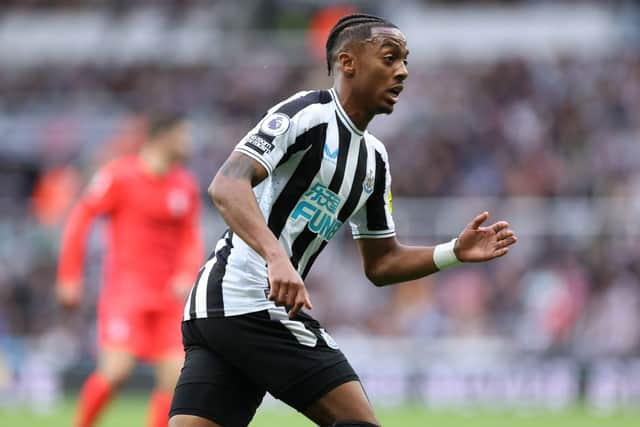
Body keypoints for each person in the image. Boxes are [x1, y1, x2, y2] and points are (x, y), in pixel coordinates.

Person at [169, 13, 518, 427]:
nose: (402, 72)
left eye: (405, 61)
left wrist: (452, 253)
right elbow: (227, 185)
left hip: (219, 313)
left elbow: (381, 263)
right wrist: (277, 259)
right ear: (348, 62)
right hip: (250, 300)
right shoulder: (306, 114)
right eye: (390, 58)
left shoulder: (374, 159)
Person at [56, 113, 204, 427]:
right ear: (162, 136)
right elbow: (80, 218)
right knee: (116, 371)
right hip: (127, 293)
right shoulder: (119, 176)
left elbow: (191, 237)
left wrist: (186, 273)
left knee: (175, 379)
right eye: (183, 135)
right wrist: (69, 275)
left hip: (168, 297)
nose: (189, 142)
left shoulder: (185, 185)